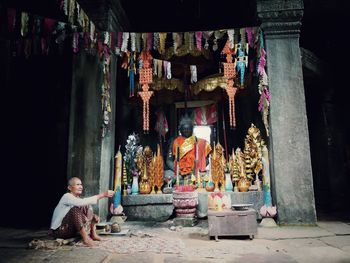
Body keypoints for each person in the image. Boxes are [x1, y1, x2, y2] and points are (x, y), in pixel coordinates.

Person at [50, 177, 114, 246]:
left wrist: (92, 219)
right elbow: (81, 202)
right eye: (77, 184)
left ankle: (93, 234)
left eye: (81, 184)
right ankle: (86, 239)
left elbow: (84, 203)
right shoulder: (66, 196)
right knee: (75, 210)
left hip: (71, 231)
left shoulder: (77, 199)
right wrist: (103, 195)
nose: (80, 187)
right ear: (69, 188)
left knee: (88, 206)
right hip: (60, 231)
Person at [165, 114, 211, 185]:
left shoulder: (200, 142)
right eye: (184, 129)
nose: (186, 131)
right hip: (179, 172)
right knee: (166, 175)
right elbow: (169, 160)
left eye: (188, 129)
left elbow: (207, 159)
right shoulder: (175, 142)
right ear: (180, 130)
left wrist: (197, 167)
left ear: (192, 129)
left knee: (206, 176)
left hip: (195, 172)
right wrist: (177, 169)